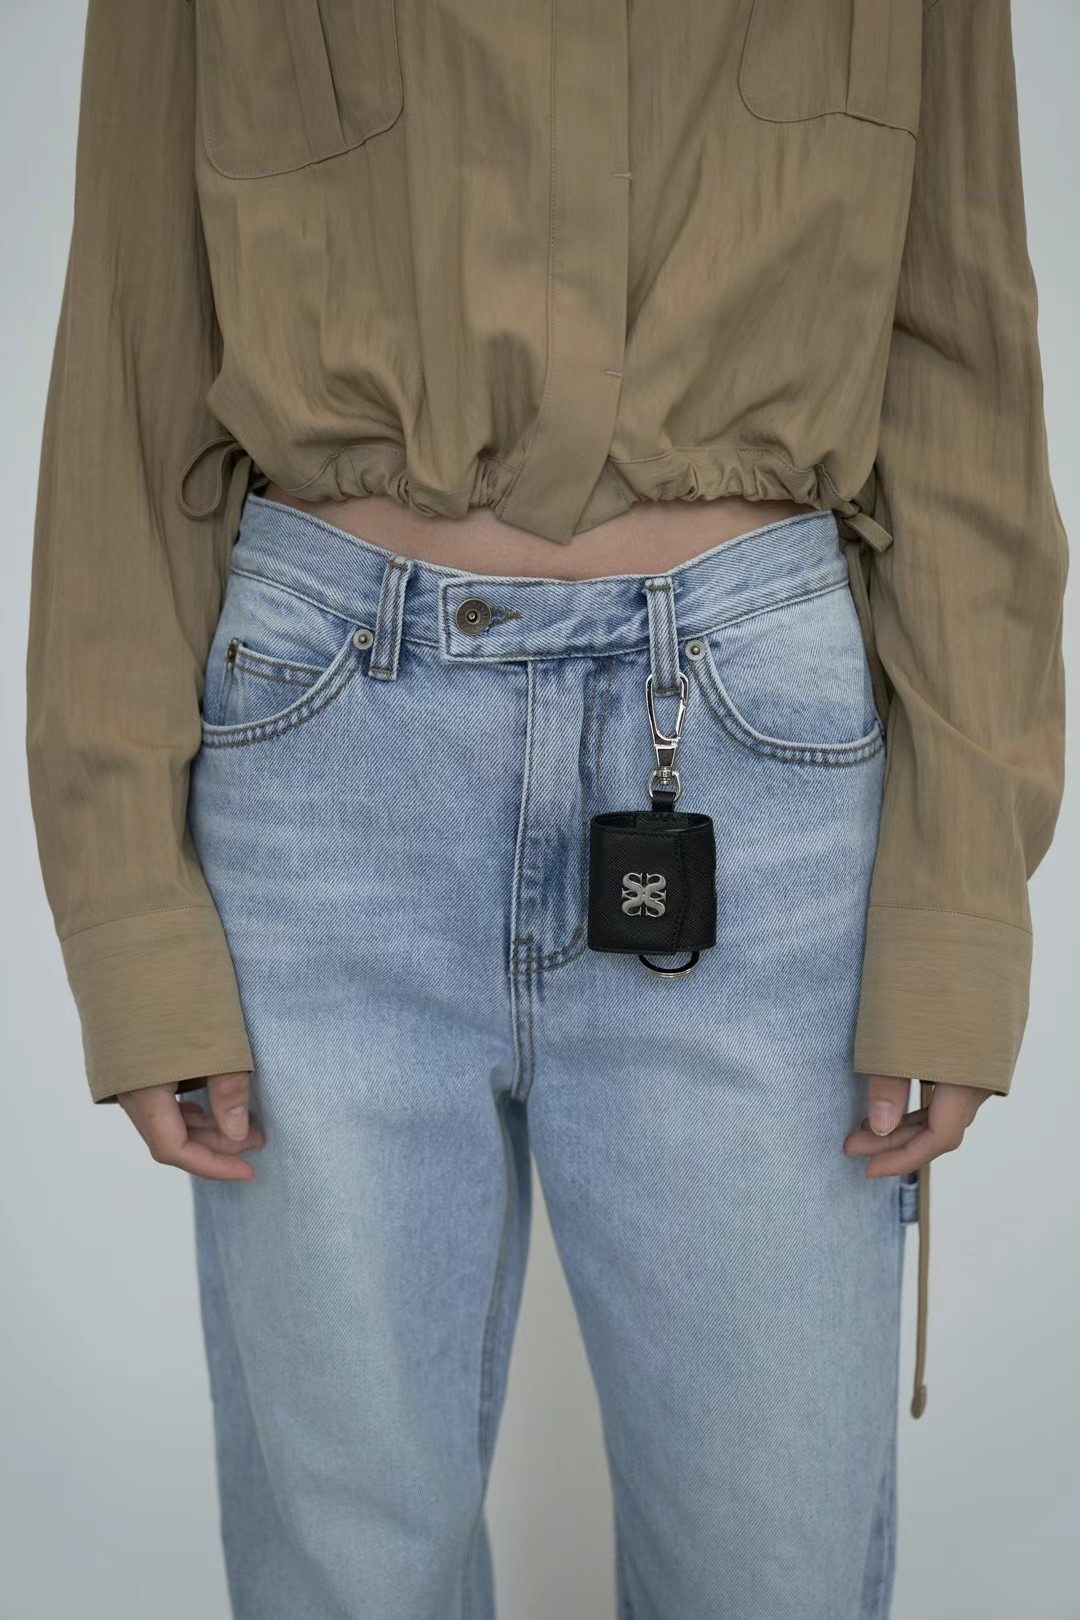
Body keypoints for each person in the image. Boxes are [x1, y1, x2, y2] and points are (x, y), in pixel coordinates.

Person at [25, 2, 1066, 1617]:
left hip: (756, 766)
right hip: (325, 771)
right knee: (344, 1579)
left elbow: (961, 373)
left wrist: (959, 909)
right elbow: (131, 346)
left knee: (774, 1573)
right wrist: (127, 908)